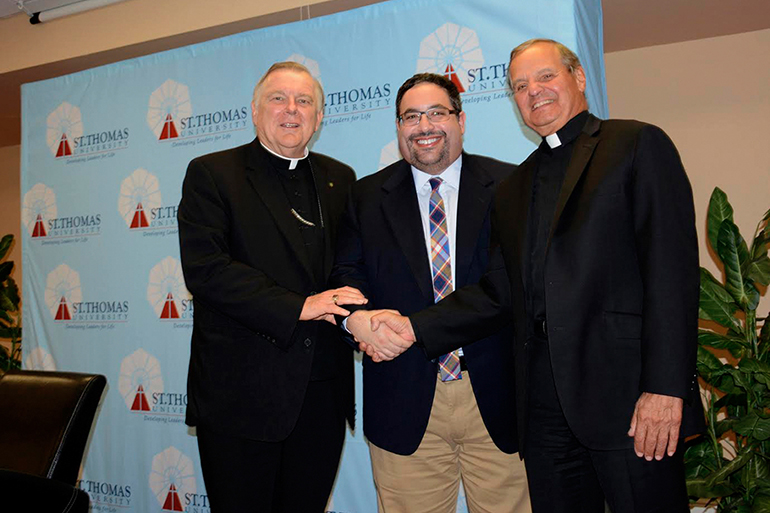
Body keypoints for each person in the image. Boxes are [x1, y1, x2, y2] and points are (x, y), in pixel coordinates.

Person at [369, 40, 704, 512]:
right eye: (520, 86)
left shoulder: (635, 144)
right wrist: (414, 327)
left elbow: (671, 275)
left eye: (546, 77)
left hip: (629, 401)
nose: (534, 92)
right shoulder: (513, 186)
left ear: (578, 77)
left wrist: (665, 388)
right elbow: (497, 292)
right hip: (543, 411)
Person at [331, 73, 530, 513]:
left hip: (497, 398)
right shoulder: (364, 196)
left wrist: (412, 329)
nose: (424, 126)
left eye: (437, 113)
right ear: (399, 127)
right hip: (402, 398)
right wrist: (354, 320)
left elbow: (508, 287)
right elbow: (347, 275)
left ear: (462, 120)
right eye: (411, 116)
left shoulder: (511, 187)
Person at [177, 61, 365, 513]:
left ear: (319, 118)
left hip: (320, 391)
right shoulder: (213, 173)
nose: (291, 110)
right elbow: (207, 270)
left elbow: (350, 265)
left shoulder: (341, 179)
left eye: (305, 102)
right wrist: (299, 306)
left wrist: (360, 311)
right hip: (241, 394)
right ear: (255, 111)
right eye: (278, 99)